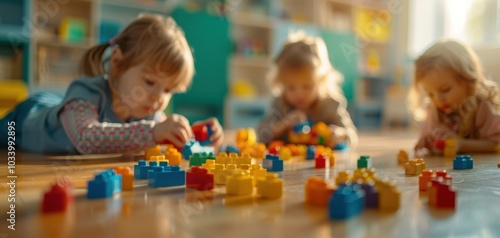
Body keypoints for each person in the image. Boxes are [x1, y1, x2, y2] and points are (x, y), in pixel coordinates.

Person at [0, 14, 223, 154]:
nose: (159, 98)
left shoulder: (149, 113)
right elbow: (87, 138)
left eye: (168, 90)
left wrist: (195, 133)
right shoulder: (86, 92)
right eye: (150, 82)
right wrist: (154, 132)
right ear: (117, 63)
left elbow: (161, 134)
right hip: (24, 120)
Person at [257, 34, 357, 148]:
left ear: (321, 81)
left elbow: (352, 135)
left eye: (307, 86)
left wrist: (339, 135)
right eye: (291, 88)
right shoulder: (280, 104)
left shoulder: (330, 105)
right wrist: (281, 126)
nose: (299, 94)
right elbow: (261, 134)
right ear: (281, 84)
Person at [410, 39, 500, 154]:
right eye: (430, 94)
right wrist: (428, 141)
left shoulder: (481, 105)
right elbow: (431, 137)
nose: (437, 98)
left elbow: (496, 144)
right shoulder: (435, 108)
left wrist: (462, 144)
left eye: (445, 90)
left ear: (467, 80)